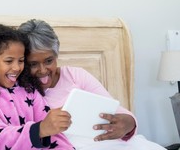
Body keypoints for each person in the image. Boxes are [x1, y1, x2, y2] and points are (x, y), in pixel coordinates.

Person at [18, 19, 167, 150]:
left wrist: (129, 123)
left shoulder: (76, 75)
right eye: (33, 64)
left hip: (107, 141)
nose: (43, 70)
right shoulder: (17, 90)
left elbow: (115, 109)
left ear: (56, 56)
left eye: (49, 61)